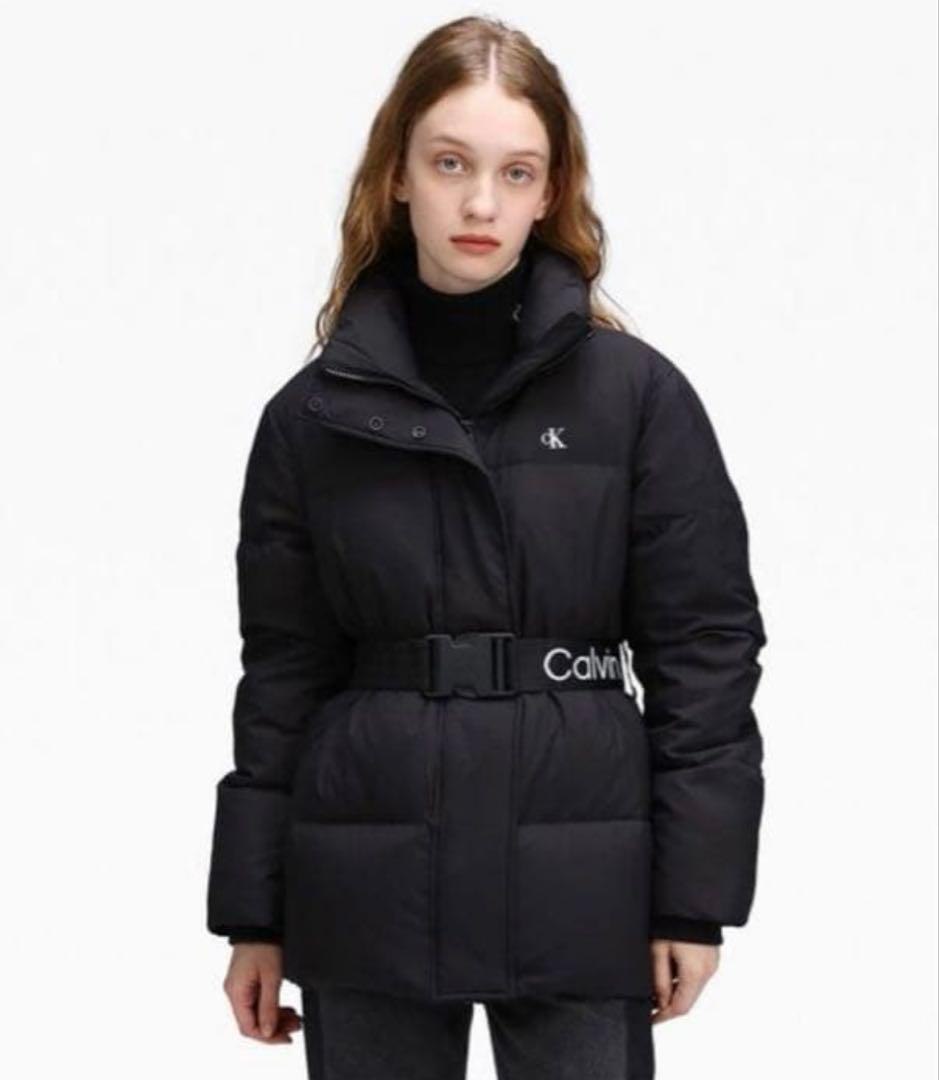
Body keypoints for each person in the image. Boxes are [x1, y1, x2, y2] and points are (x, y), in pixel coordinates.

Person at [205, 15, 767, 1080]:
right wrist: (255, 915)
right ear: (398, 175)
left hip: (582, 873)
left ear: (550, 192)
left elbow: (704, 649)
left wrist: (693, 899)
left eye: (516, 172)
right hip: (365, 874)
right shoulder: (311, 419)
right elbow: (281, 672)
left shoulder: (636, 399)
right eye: (450, 163)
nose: (480, 204)